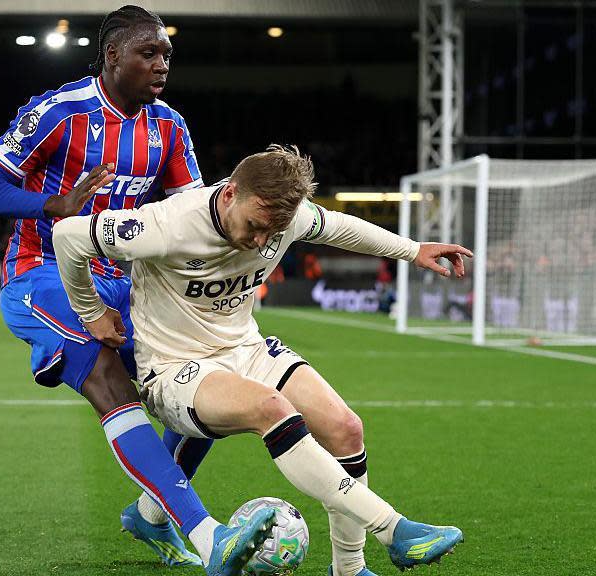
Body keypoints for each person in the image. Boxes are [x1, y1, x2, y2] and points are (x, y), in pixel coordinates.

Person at [53, 145, 470, 575]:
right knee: (271, 408)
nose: (259, 241)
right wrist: (91, 311)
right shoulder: (167, 224)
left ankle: (349, 568)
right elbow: (67, 236)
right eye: (254, 226)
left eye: (272, 233)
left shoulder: (284, 217)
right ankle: (394, 529)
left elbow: (339, 227)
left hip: (247, 351)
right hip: (176, 369)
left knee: (346, 428)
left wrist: (412, 250)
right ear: (230, 193)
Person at [0, 6, 274, 575]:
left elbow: (194, 216)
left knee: (206, 375)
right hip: (41, 273)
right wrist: (51, 203)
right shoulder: (59, 112)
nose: (162, 65)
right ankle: (209, 538)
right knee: (106, 373)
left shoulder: (168, 126)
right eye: (148, 54)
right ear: (112, 55)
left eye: (166, 56)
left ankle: (151, 515)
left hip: (121, 280)